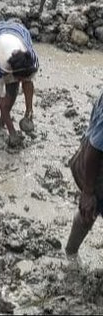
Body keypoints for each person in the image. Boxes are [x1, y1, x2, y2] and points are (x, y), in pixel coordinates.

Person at [66, 89, 103, 257]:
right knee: (89, 209)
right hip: (96, 164)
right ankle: (70, 253)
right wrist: (87, 192)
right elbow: (95, 149)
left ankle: (70, 252)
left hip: (93, 148)